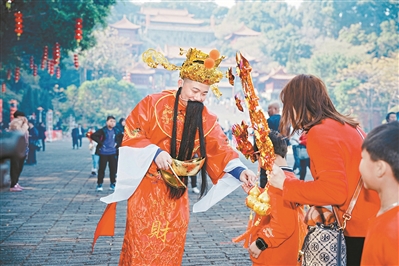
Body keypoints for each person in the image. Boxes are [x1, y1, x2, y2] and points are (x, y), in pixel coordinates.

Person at [92, 47, 257, 265]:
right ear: (181, 83)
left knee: (172, 242)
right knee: (141, 243)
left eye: (204, 93)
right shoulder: (154, 103)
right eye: (194, 90)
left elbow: (220, 147)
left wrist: (240, 170)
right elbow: (132, 132)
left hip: (176, 191)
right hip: (147, 189)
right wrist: (154, 152)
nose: (198, 97)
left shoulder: (206, 118)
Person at [268, 74, 380, 265]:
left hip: (359, 230)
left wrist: (286, 184)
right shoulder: (350, 126)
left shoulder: (320, 132)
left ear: (296, 105)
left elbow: (334, 192)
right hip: (375, 222)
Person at [237, 130, 306, 265]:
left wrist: (260, 243)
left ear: (266, 154)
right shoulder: (287, 179)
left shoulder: (278, 183)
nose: (259, 162)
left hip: (275, 254)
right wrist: (255, 192)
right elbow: (273, 206)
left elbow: (283, 224)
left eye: (257, 157)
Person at [359, 121, 399, 265]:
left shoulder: (392, 229)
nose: (360, 165)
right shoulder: (387, 216)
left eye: (363, 158)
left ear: (380, 168)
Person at [90, 116, 123, 191]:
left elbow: (122, 137)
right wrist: (101, 143)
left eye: (114, 122)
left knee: (113, 169)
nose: (112, 123)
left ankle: (112, 184)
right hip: (103, 152)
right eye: (111, 121)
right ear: (107, 122)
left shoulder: (117, 131)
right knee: (101, 169)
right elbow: (93, 136)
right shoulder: (103, 130)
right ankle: (99, 184)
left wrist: (117, 144)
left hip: (113, 152)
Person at [9, 111, 29, 192]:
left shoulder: (22, 123)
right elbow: (20, 133)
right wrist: (25, 125)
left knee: (20, 166)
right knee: (15, 166)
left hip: (22, 147)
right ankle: (13, 184)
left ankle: (16, 183)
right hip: (15, 148)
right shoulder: (15, 123)